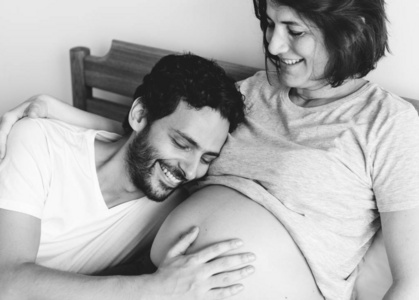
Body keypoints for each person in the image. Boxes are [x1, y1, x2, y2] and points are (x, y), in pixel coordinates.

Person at [2, 1, 419, 300]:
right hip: (158, 284)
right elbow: (159, 137)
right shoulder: (252, 94)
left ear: (348, 30)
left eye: (294, 31)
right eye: (269, 24)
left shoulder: (388, 124)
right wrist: (53, 111)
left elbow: (411, 281)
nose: (273, 46)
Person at [0, 53, 258, 300]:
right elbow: (7, 282)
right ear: (140, 116)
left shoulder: (176, 205)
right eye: (182, 144)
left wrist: (51, 105)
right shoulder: (38, 142)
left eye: (206, 159)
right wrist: (151, 290)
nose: (190, 171)